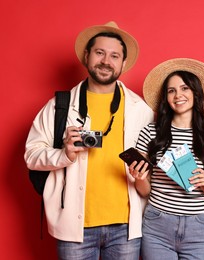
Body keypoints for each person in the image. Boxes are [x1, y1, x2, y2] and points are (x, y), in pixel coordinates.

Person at [24, 21, 154, 259]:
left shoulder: (141, 110)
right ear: (86, 56)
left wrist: (197, 197)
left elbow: (157, 166)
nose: (106, 61)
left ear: (123, 63)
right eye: (99, 53)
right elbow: (31, 156)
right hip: (74, 227)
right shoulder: (59, 106)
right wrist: (64, 154)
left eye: (114, 56)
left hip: (126, 226)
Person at [129, 58, 204, 260]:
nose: (178, 95)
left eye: (184, 88)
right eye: (171, 91)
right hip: (157, 224)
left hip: (200, 227)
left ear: (195, 93)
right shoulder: (150, 132)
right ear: (165, 98)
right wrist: (139, 177)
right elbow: (144, 191)